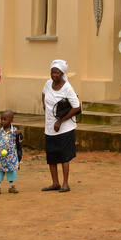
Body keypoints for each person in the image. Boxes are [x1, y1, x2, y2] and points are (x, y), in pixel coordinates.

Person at [41, 59, 80, 193]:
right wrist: (44, 107)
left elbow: (76, 106)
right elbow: (43, 94)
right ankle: (55, 183)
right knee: (51, 155)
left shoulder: (67, 88)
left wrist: (60, 121)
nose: (54, 75)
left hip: (65, 127)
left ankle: (65, 183)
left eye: (57, 73)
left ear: (62, 73)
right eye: (52, 72)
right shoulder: (47, 84)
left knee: (64, 156)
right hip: (49, 126)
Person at [0, 110, 22, 194]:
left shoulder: (14, 131)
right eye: (1, 119)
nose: (2, 121)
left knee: (11, 170)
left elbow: (20, 141)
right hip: (0, 157)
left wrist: (20, 134)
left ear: (11, 120)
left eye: (5, 119)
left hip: (11, 157)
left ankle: (11, 186)